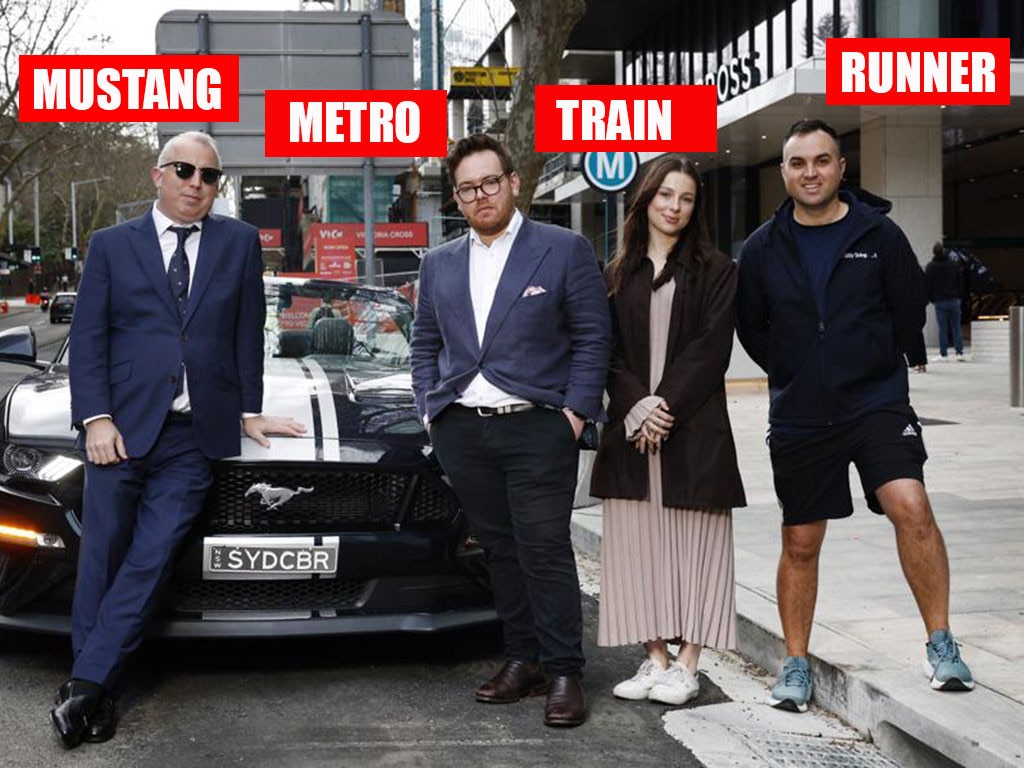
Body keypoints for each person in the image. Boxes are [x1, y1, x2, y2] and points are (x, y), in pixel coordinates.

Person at [54, 131, 306, 748]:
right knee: (103, 556)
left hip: (197, 434)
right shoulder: (111, 245)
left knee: (151, 553)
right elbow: (90, 339)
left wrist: (250, 411)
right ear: (158, 175)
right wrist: (96, 418)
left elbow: (249, 331)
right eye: (185, 170)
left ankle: (85, 686)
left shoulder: (241, 242)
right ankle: (99, 690)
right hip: (120, 430)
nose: (198, 183)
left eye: (210, 176)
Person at [736, 119, 973, 714]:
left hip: (875, 399)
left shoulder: (879, 233)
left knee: (911, 506)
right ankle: (795, 664)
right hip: (802, 409)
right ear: (784, 172)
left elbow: (906, 305)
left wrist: (875, 362)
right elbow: (751, 324)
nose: (810, 172)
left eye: (822, 160)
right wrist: (796, 367)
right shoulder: (764, 246)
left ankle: (940, 642)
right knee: (801, 538)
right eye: (798, 163)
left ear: (842, 168)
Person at [410, 133, 611, 728]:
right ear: (457, 197)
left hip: (539, 427)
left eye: (490, 182)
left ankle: (565, 669)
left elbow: (593, 337)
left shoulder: (562, 248)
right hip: (463, 432)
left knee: (544, 549)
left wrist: (575, 413)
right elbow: (425, 343)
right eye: (468, 189)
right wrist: (431, 409)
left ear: (514, 181)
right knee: (498, 550)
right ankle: (523, 659)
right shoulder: (439, 262)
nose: (481, 196)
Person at [590, 155, 746, 706]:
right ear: (646, 199)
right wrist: (634, 406)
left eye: (685, 198)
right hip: (632, 434)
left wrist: (662, 407)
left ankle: (689, 664)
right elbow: (602, 351)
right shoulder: (614, 274)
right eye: (665, 196)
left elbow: (712, 350)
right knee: (638, 546)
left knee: (700, 546)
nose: (674, 207)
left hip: (693, 428)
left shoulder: (718, 269)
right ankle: (655, 657)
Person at [925, 242, 965, 361]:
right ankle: (959, 352)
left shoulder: (931, 267)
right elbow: (960, 282)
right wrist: (959, 296)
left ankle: (944, 353)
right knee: (956, 326)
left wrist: (930, 298)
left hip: (939, 300)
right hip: (953, 299)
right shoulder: (953, 266)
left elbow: (928, 285)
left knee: (942, 327)